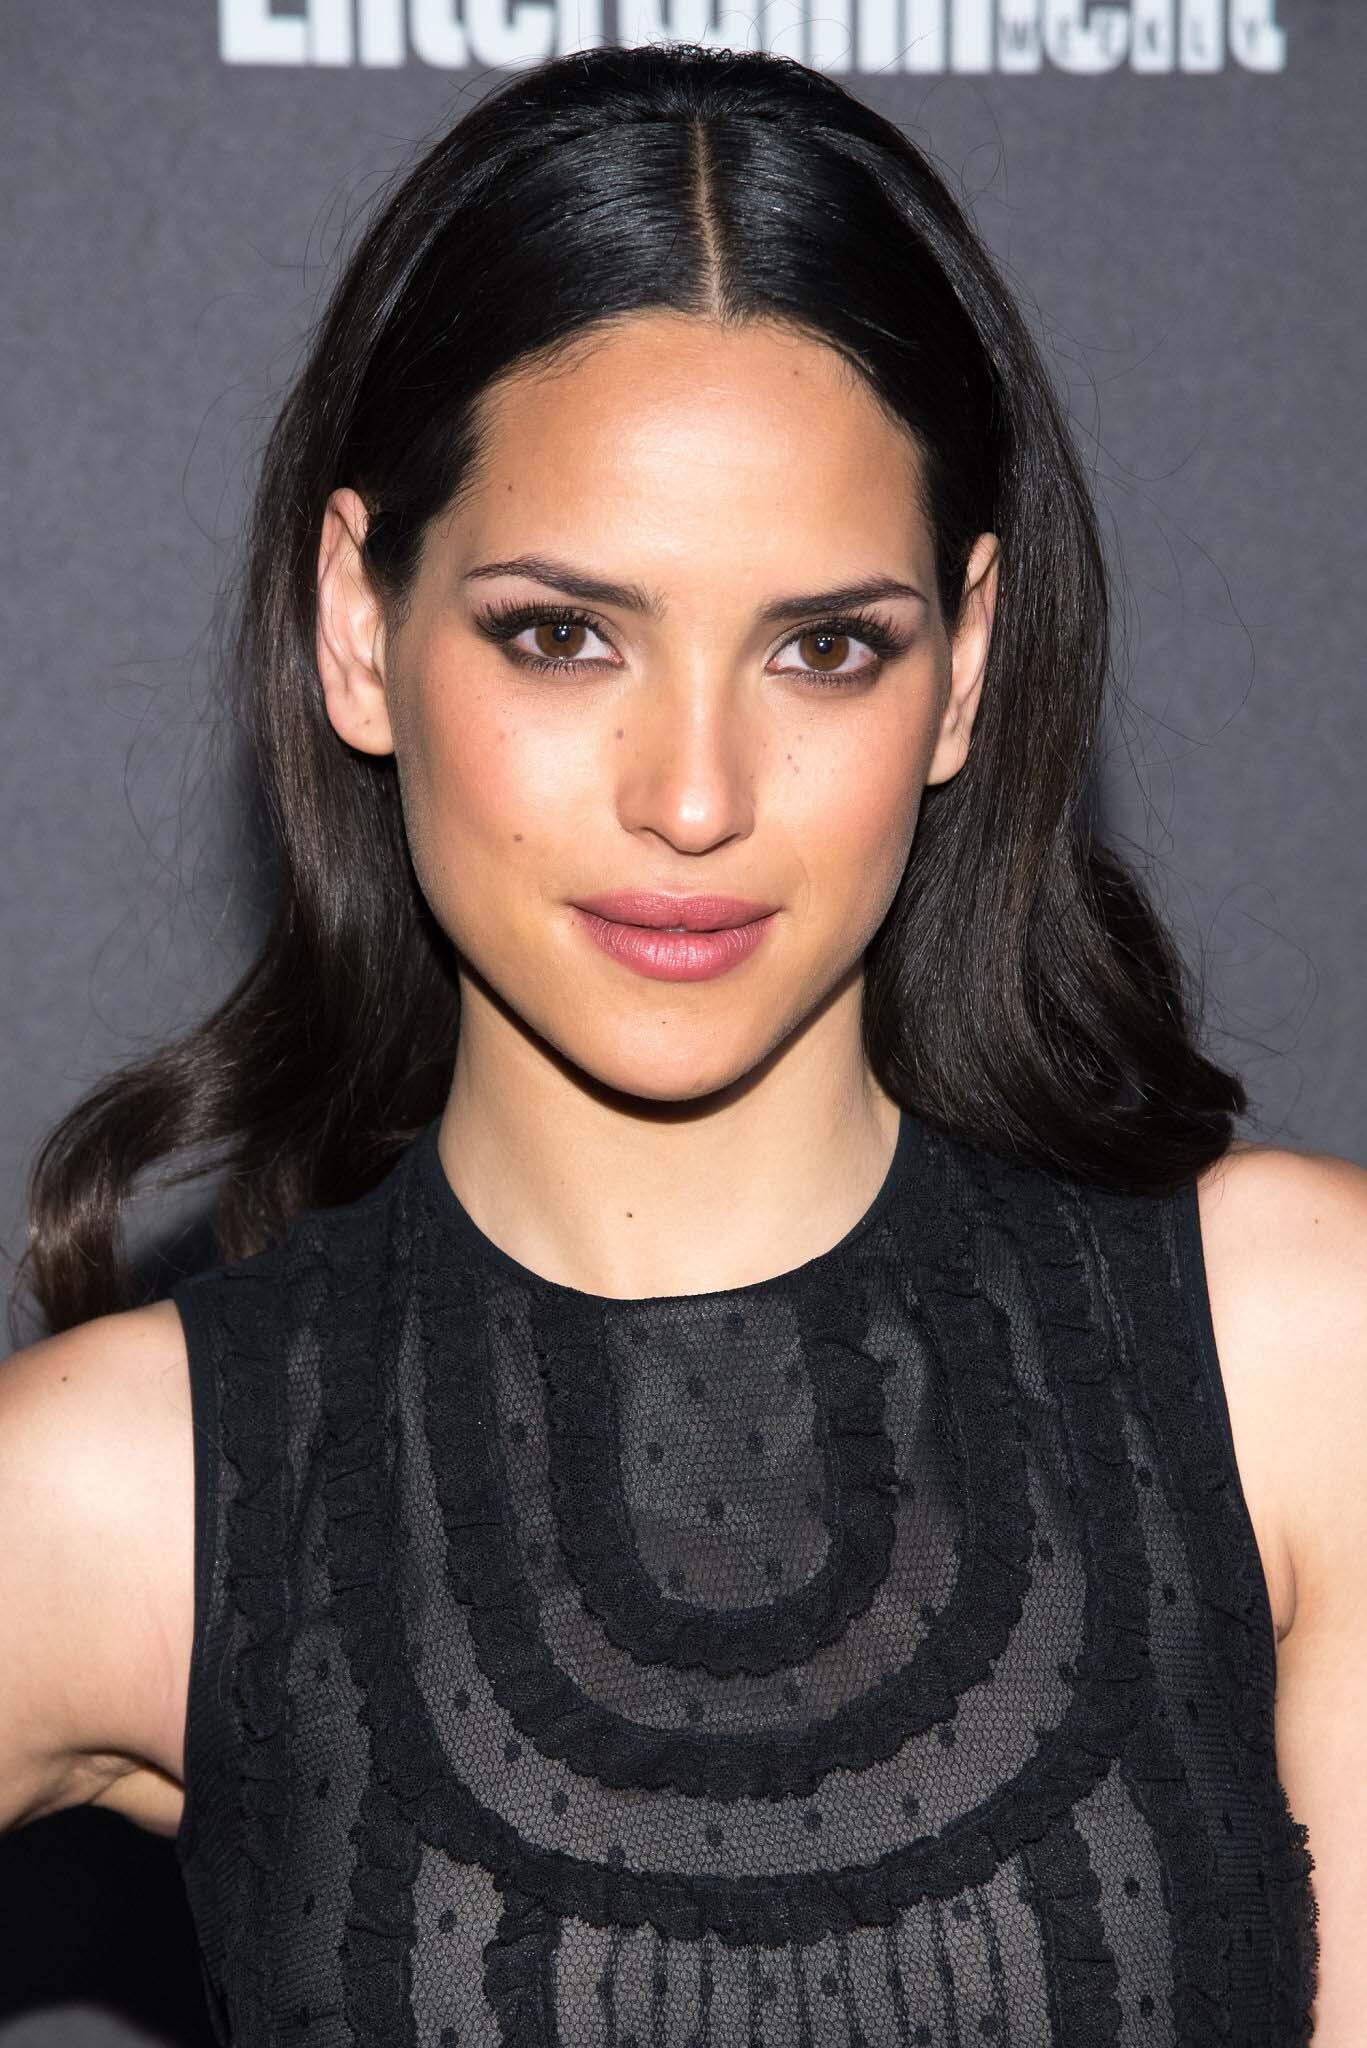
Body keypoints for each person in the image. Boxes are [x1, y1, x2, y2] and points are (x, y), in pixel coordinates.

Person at [0, 37, 1361, 2046]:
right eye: (565, 635)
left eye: (826, 646)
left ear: (964, 668)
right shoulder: (128, 1489)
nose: (697, 797)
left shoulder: (1302, 1356)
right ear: (360, 629)